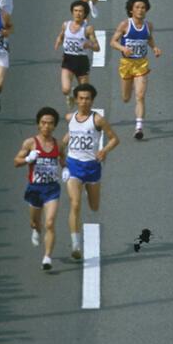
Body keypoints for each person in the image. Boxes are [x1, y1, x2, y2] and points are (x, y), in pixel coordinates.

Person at [61, 83, 119, 260]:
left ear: (92, 100)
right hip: (74, 166)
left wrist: (104, 150)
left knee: (94, 207)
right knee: (75, 204)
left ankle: (86, 188)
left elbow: (115, 139)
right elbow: (68, 137)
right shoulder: (69, 117)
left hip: (92, 167)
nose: (84, 102)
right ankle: (76, 244)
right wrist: (59, 153)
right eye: (81, 98)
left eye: (87, 99)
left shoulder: (97, 120)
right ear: (76, 100)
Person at [14, 107, 65, 270]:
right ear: (38, 124)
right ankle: (35, 229)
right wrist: (28, 158)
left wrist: (66, 170)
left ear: (55, 126)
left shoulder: (58, 144)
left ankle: (47, 257)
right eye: (43, 123)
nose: (46, 126)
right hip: (35, 189)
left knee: (49, 223)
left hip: (52, 189)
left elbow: (63, 161)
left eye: (50, 123)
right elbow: (16, 161)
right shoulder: (30, 143)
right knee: (36, 222)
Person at [110, 0, 162, 140]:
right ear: (131, 10)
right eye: (137, 7)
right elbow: (112, 42)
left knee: (140, 96)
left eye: (143, 8)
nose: (140, 10)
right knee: (126, 98)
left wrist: (155, 48)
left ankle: (139, 127)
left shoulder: (148, 25)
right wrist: (122, 48)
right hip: (126, 65)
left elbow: (149, 38)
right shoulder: (125, 25)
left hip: (141, 64)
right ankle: (131, 86)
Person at [54, 0, 100, 107]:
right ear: (72, 12)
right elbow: (61, 35)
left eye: (80, 11)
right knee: (65, 89)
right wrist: (58, 41)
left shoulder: (88, 29)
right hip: (68, 59)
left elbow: (97, 47)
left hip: (81, 61)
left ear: (85, 14)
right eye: (75, 11)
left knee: (84, 91)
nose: (77, 13)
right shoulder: (66, 25)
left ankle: (76, 94)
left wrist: (89, 45)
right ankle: (71, 93)